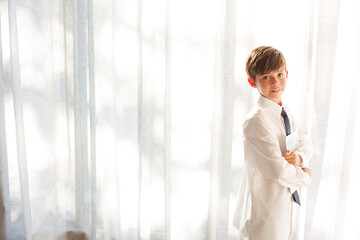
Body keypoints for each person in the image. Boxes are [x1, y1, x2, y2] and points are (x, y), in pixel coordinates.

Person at [232, 46, 312, 240]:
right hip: (267, 211)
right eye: (266, 77)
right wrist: (304, 176)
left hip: (285, 205)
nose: (276, 82)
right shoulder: (256, 120)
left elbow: (304, 141)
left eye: (280, 74)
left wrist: (299, 156)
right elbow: (276, 169)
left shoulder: (285, 111)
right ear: (253, 82)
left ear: (287, 74)